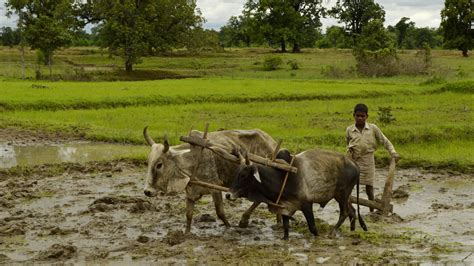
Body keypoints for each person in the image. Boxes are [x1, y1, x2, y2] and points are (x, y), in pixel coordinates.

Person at [346, 103, 400, 212]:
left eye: (362, 116)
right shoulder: (349, 130)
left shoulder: (373, 128)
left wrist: (393, 153)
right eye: (358, 116)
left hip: (368, 161)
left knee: (369, 188)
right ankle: (348, 208)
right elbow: (347, 143)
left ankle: (372, 209)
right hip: (353, 161)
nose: (360, 118)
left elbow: (385, 141)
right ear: (354, 116)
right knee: (349, 186)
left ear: (367, 117)